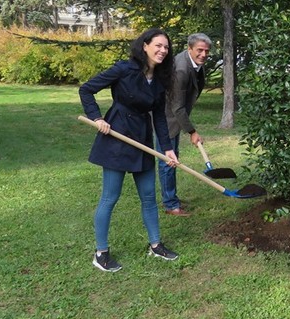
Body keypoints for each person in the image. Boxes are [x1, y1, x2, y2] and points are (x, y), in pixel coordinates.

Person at [79, 28, 181, 272]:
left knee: (148, 196)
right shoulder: (124, 69)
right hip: (116, 136)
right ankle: (101, 253)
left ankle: (156, 245)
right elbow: (87, 89)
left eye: (166, 47)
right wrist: (97, 118)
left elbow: (158, 116)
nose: (162, 50)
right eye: (158, 45)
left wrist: (167, 148)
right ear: (144, 45)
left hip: (142, 139)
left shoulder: (158, 80)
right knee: (109, 197)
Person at [157, 33, 212, 216]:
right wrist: (192, 131)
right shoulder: (181, 69)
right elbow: (177, 107)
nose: (203, 54)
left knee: (172, 157)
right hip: (165, 117)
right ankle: (171, 205)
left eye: (206, 51)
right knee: (168, 161)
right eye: (199, 50)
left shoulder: (194, 63)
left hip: (173, 115)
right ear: (190, 48)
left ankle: (171, 197)